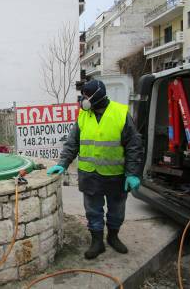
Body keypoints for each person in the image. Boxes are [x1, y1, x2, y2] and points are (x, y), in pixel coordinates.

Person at [47, 80, 143, 259]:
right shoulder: (83, 116)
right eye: (83, 96)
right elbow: (72, 142)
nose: (83, 99)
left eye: (86, 96)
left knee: (116, 210)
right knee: (93, 210)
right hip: (90, 174)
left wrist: (132, 173)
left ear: (98, 95)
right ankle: (97, 242)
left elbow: (133, 145)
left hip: (116, 175)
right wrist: (62, 163)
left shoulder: (121, 113)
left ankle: (113, 237)